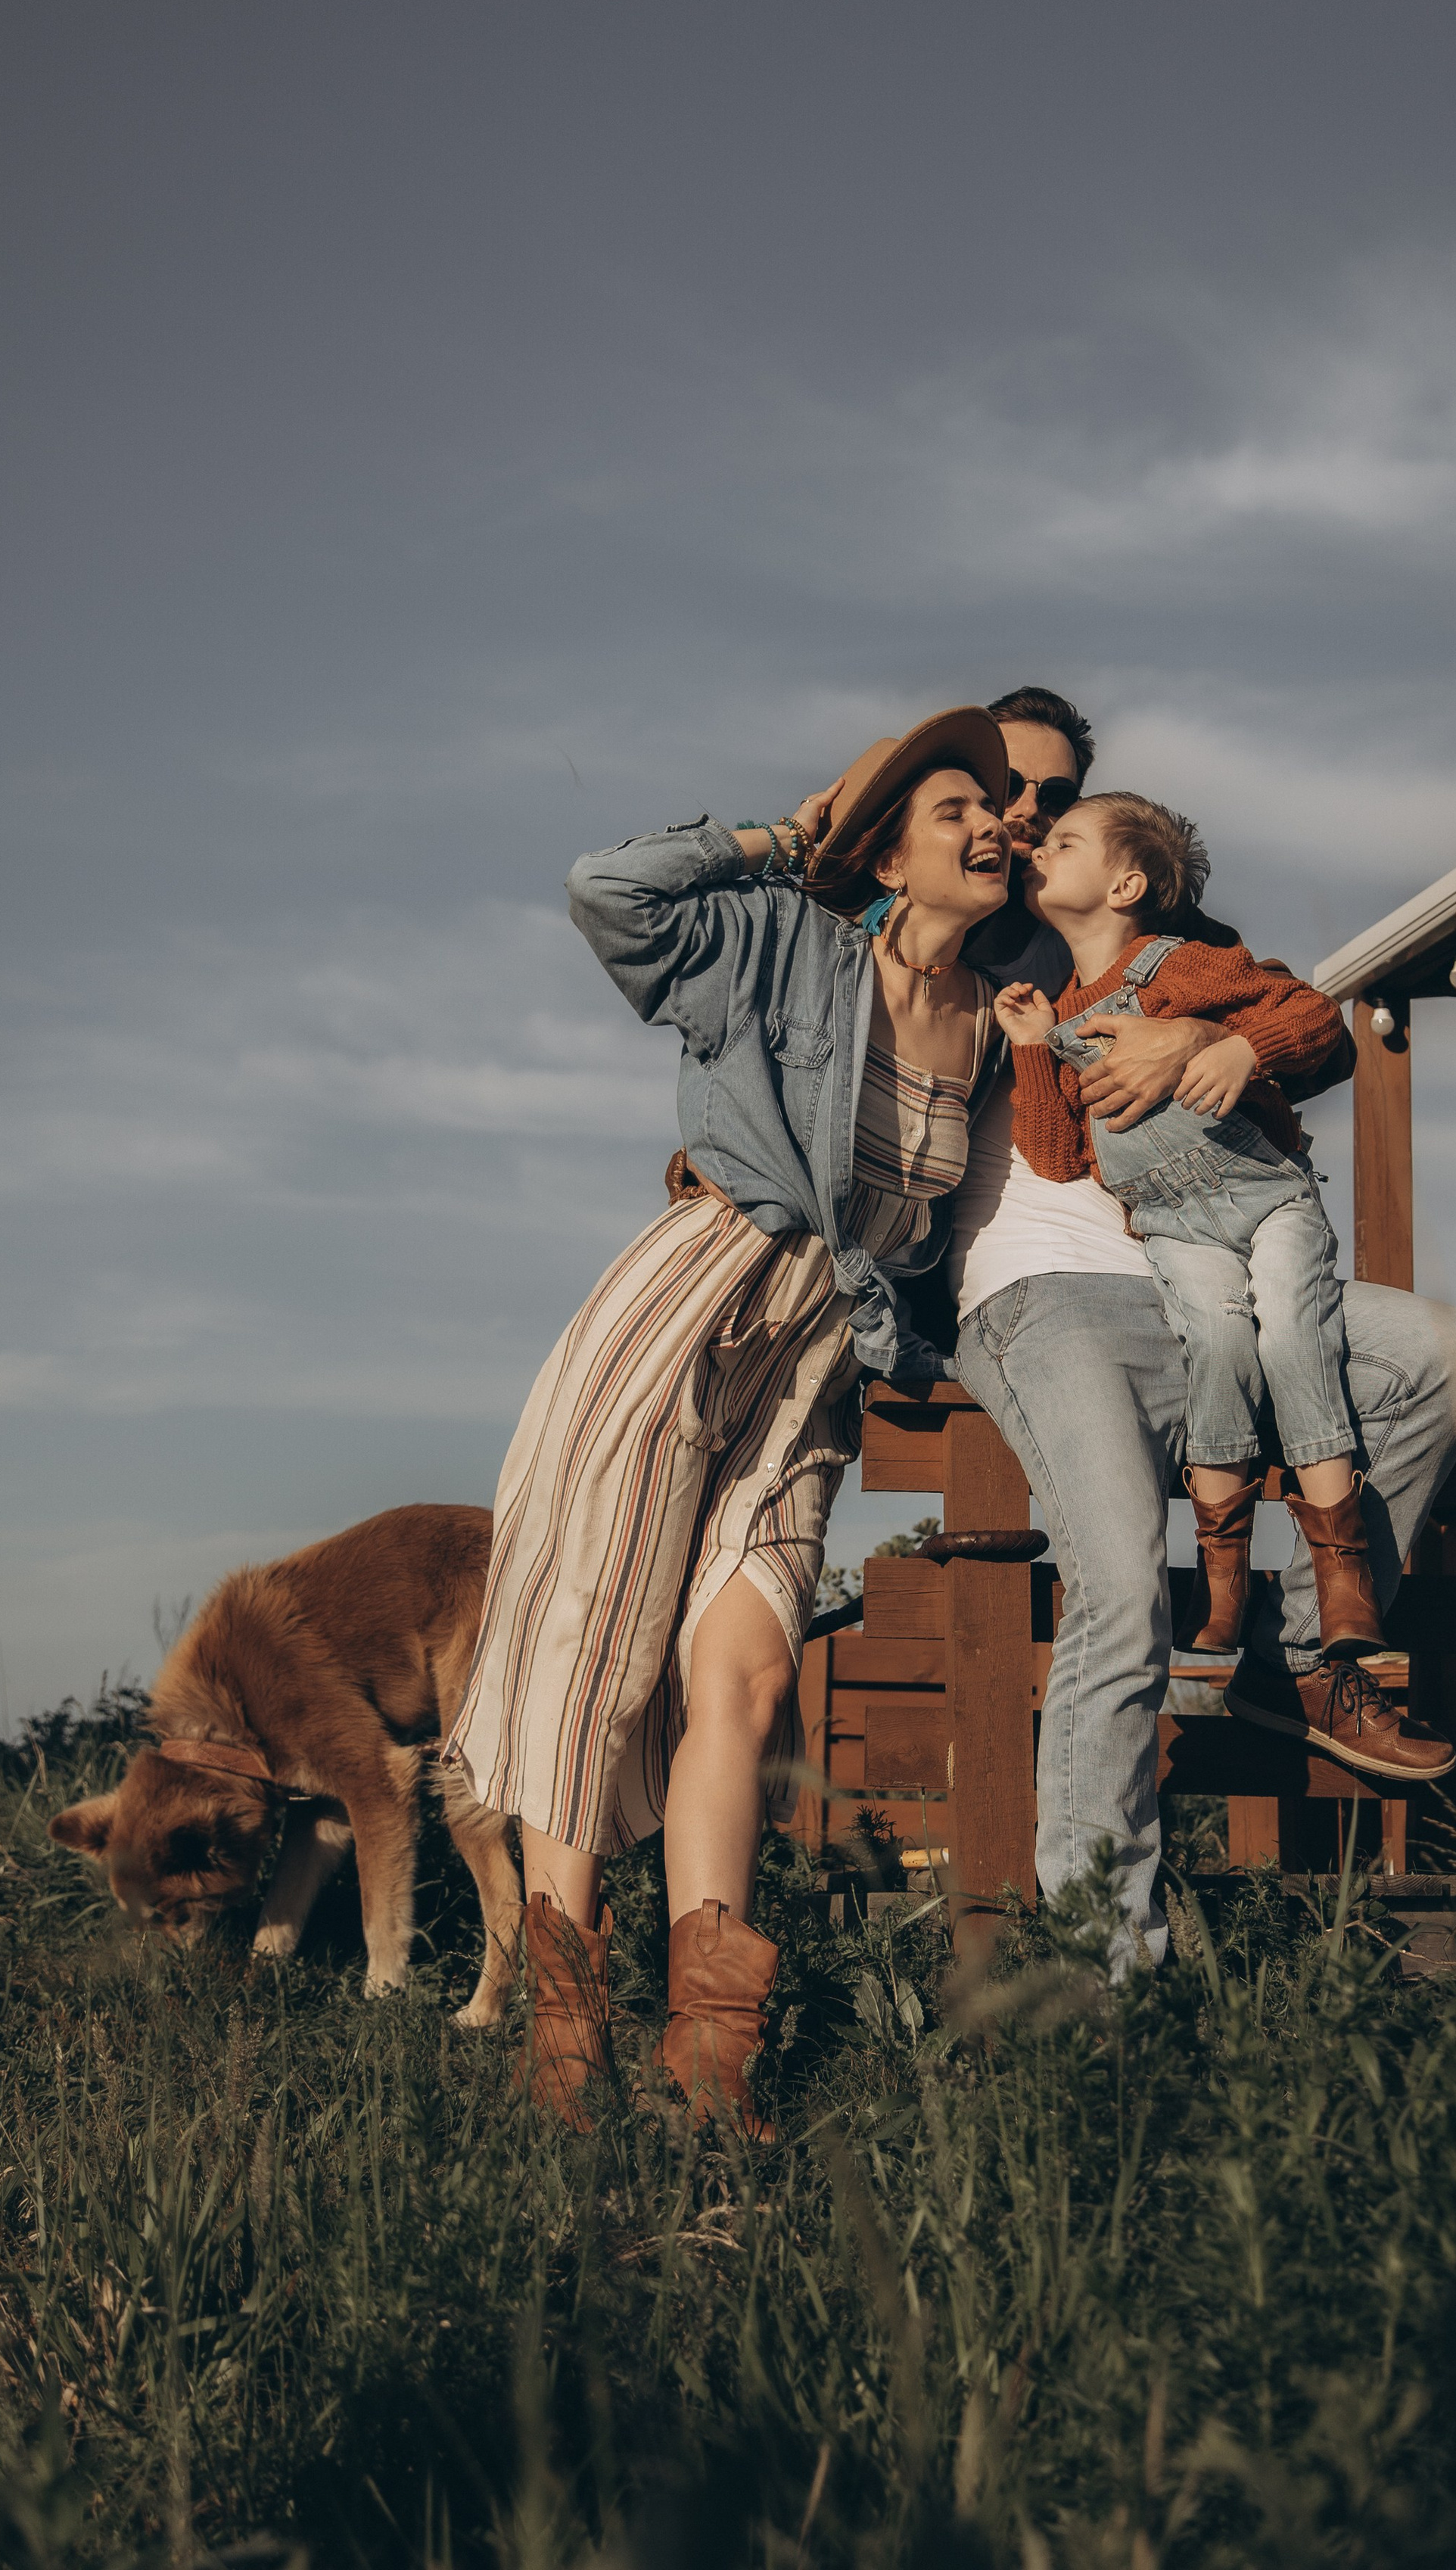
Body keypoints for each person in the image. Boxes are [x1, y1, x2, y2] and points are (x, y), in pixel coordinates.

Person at [449, 709, 1013, 2134]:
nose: (991, 824)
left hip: (815, 1365)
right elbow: (607, 890)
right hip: (690, 1306)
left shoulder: (997, 1027)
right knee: (600, 1644)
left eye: (1001, 808)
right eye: (958, 806)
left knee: (749, 1674)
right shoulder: (785, 947)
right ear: (888, 846)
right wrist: (777, 840)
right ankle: (566, 2043)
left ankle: (714, 2054)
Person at [952, 684, 1456, 1980]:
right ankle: (1102, 1967)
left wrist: (1217, 1040)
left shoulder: (1168, 941)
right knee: (1124, 1581)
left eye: (1050, 802)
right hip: (1043, 1290)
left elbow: (1309, 1024)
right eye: (998, 794)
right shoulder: (923, 943)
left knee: (1442, 1353)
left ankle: (1304, 1656)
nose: (1024, 820)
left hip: (1195, 1265)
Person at [996, 787, 1427, 1682]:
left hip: (1262, 1198)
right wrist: (1037, 1047)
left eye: (1063, 840)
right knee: (1220, 1344)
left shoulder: (1179, 966)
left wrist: (1236, 1048)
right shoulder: (1062, 1008)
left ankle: (1342, 1579)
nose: (1039, 847)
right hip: (1172, 1224)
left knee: (1291, 1328)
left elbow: (1311, 1015)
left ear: (1126, 885)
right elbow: (1055, 1154)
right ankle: (1222, 1586)